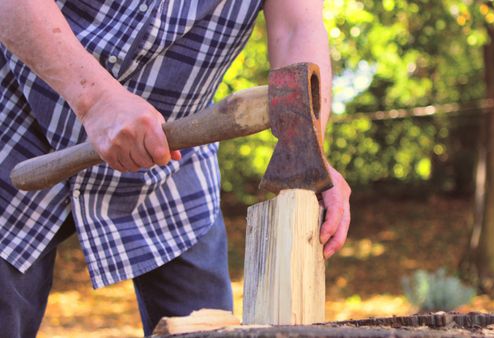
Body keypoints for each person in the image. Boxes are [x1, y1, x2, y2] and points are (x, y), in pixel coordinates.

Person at [0, 0, 351, 336]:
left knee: (207, 331)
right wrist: (97, 100)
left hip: (170, 168)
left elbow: (296, 25)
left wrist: (310, 150)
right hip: (16, 127)